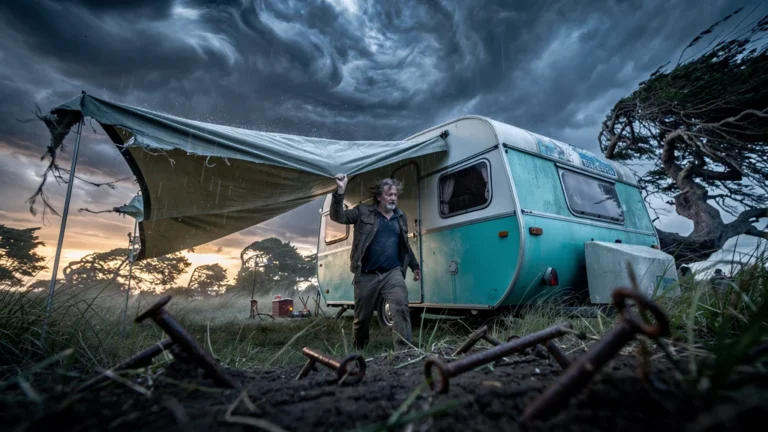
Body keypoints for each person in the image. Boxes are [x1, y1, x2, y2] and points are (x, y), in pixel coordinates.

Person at [330, 174, 421, 350]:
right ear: (379, 196)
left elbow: (405, 245)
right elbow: (338, 216)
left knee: (400, 308)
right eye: (389, 194)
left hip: (392, 273)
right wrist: (340, 191)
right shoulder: (363, 211)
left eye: (395, 195)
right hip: (366, 275)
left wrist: (415, 266)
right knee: (362, 318)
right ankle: (360, 350)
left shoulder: (400, 217)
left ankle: (405, 351)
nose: (393, 198)